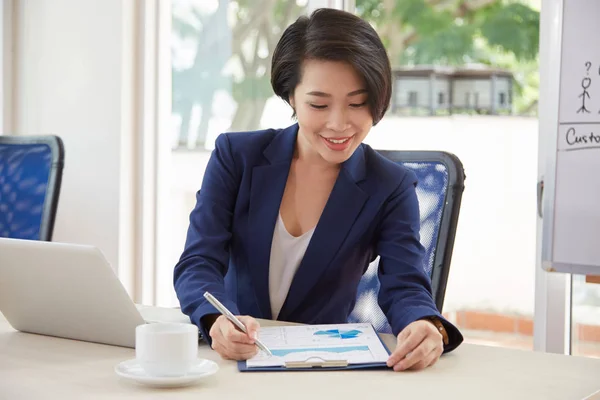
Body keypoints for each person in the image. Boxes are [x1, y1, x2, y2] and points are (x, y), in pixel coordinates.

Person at [174, 8, 463, 372]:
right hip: (230, 363)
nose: (339, 123)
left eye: (357, 103)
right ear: (291, 97)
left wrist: (425, 324)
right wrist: (216, 321)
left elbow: (406, 285)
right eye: (318, 104)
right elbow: (198, 262)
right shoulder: (237, 157)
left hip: (322, 370)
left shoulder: (389, 186)